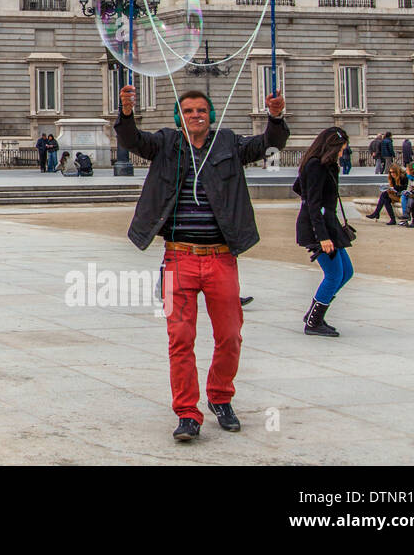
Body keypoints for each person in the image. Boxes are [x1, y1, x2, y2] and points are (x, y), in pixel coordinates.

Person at [115, 83, 288, 442]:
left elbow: (267, 145)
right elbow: (133, 141)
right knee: (180, 338)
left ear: (211, 115)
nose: (196, 115)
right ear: (180, 116)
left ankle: (220, 397)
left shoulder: (228, 143)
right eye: (189, 110)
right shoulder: (166, 143)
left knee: (230, 336)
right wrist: (127, 113)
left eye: (202, 110)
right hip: (178, 257)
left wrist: (275, 117)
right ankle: (187, 413)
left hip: (221, 258)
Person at [293, 127, 356, 337]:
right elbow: (312, 203)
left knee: (346, 271)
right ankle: (314, 321)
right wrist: (323, 237)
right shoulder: (315, 166)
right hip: (317, 226)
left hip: (328, 222)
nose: (341, 154)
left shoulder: (325, 165)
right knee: (334, 274)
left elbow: (298, 187)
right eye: (340, 150)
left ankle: (315, 311)